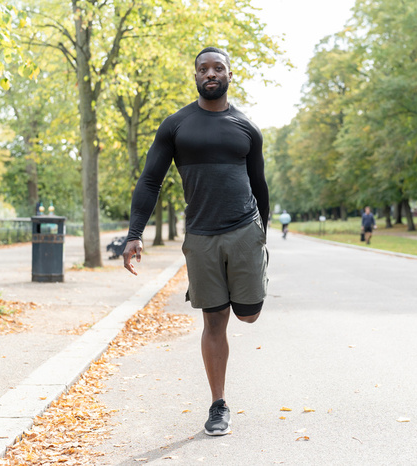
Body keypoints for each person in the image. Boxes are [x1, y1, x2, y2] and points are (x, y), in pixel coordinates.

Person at [122, 47, 269, 436]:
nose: (210, 73)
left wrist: (261, 236)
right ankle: (218, 405)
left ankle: (252, 286)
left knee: (249, 314)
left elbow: (260, 185)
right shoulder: (176, 126)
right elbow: (150, 181)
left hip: (244, 232)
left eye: (217, 67)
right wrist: (135, 234)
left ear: (229, 75)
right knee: (214, 319)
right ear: (195, 77)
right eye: (203, 68)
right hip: (201, 236)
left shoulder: (247, 127)